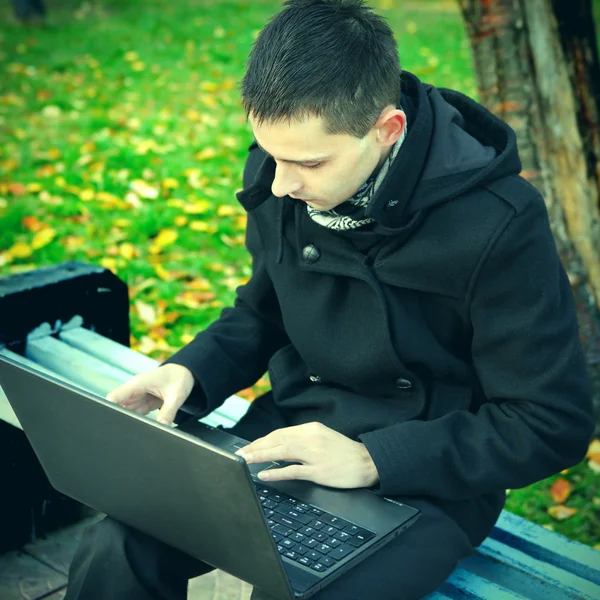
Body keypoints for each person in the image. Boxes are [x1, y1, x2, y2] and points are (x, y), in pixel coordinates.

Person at [64, 1, 595, 599]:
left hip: (425, 477)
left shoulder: (497, 223)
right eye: (271, 154)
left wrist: (375, 462)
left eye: (309, 162)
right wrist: (190, 370)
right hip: (286, 434)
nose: (282, 185)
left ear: (387, 129)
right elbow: (266, 309)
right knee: (119, 548)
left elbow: (551, 422)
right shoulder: (281, 174)